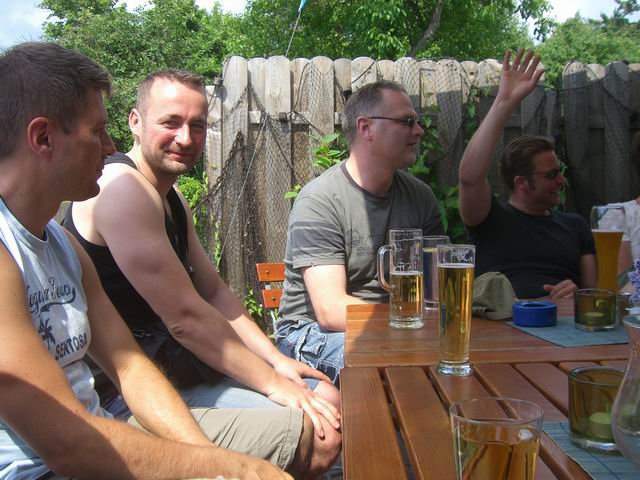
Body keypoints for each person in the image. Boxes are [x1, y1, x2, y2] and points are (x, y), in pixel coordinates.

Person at [0, 41, 325, 480]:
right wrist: (225, 465)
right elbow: (68, 445)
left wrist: (212, 465)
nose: (108, 146)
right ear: (42, 138)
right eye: (97, 131)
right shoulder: (11, 248)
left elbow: (131, 366)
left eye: (198, 125)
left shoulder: (63, 246)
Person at [275, 80, 444, 384]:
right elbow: (330, 311)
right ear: (366, 128)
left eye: (417, 122)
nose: (419, 131)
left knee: (457, 353)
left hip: (395, 331)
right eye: (407, 122)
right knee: (402, 360)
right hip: (311, 332)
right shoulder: (320, 200)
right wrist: (408, 322)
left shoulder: (420, 197)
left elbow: (436, 289)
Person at [458, 48, 597, 300]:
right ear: (522, 183)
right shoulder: (488, 221)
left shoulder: (576, 226)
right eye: (552, 175)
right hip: (502, 320)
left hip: (562, 320)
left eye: (560, 171)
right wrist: (504, 101)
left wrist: (578, 293)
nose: (562, 180)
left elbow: (593, 296)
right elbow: (469, 177)